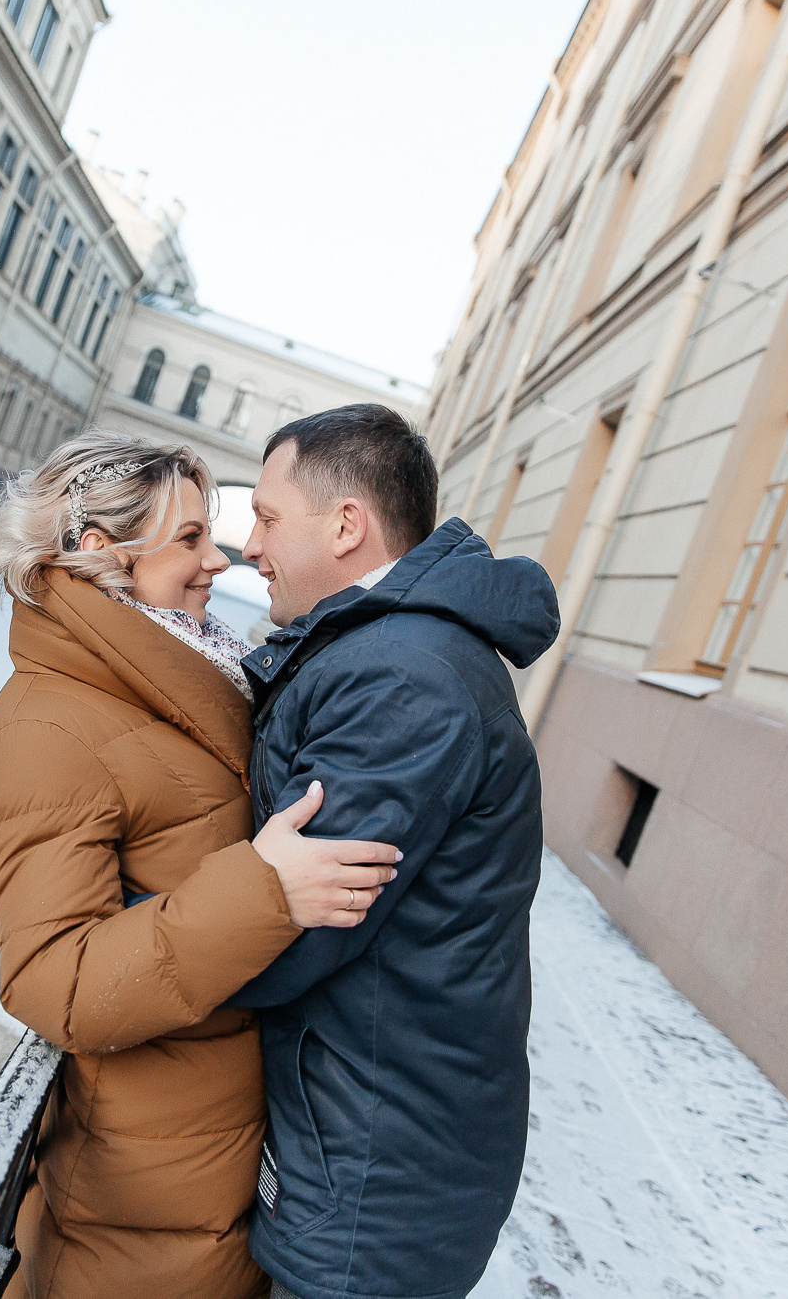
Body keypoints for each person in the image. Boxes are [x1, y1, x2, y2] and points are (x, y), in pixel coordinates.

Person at [0, 431, 401, 1299]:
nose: (219, 560)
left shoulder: (191, 675)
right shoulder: (43, 729)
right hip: (139, 1201)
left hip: (219, 1156)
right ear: (103, 551)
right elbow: (53, 978)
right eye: (191, 538)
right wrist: (264, 891)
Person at [228, 404, 561, 1299]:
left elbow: (294, 926)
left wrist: (112, 938)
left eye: (266, 516)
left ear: (346, 525)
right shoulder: (393, 649)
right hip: (375, 1141)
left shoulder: (402, 676)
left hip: (374, 1173)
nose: (249, 547)